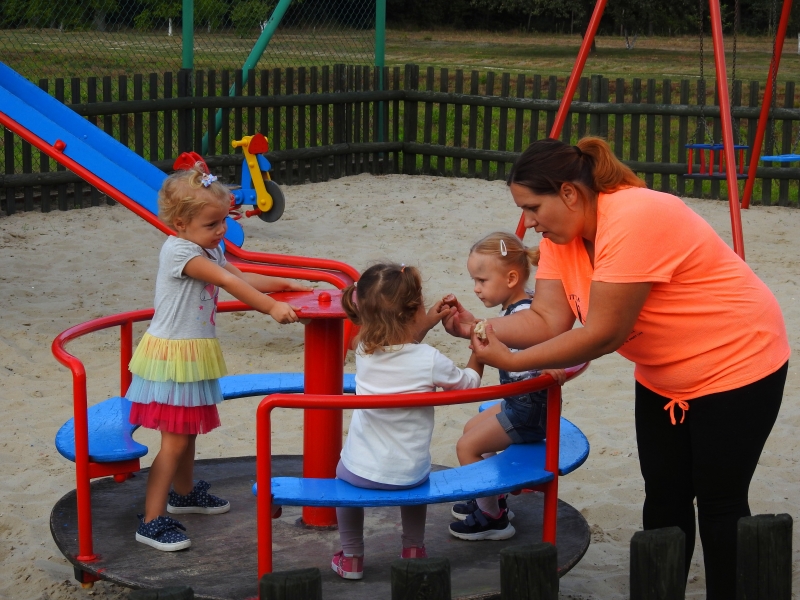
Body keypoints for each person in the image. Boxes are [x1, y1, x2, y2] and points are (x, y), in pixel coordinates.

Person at [442, 137, 790, 599]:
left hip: (738, 361)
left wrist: (514, 361)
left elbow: (604, 334)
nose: (528, 222)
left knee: (720, 501)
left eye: (532, 207)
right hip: (663, 375)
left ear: (569, 193)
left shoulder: (633, 216)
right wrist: (480, 328)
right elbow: (547, 319)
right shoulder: (562, 238)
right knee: (663, 495)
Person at [128, 164, 310, 552]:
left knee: (187, 433)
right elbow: (226, 281)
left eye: (224, 220)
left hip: (193, 353)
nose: (221, 230)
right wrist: (270, 307)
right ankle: (151, 520)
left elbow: (238, 273)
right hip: (173, 356)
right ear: (181, 223)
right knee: (174, 442)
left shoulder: (208, 246)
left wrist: (281, 284)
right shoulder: (179, 251)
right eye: (212, 224)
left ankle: (184, 494)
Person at [332, 262, 483, 580]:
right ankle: (413, 548)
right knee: (418, 480)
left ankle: (352, 556)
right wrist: (478, 352)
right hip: (409, 474)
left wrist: (425, 321)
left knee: (341, 480)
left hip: (360, 472)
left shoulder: (362, 351)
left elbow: (398, 344)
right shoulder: (429, 359)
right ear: (413, 311)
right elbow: (468, 384)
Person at [446, 231, 566, 541]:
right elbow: (500, 334)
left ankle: (492, 517)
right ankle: (490, 494)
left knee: (466, 447)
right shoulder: (521, 307)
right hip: (522, 403)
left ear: (511, 278)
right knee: (471, 428)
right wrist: (470, 326)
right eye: (474, 280)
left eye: (482, 280)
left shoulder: (524, 314)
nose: (476, 288)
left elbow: (545, 341)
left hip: (529, 411)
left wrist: (551, 362)